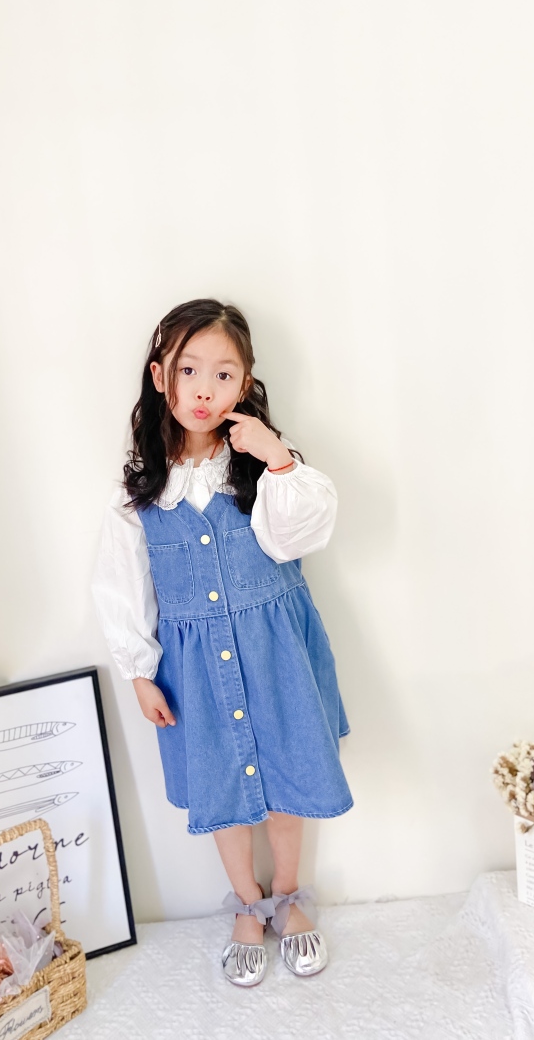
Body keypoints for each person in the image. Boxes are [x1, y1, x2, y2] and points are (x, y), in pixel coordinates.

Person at [92, 298, 353, 986]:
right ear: (161, 377)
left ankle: (290, 897)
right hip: (195, 670)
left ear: (245, 384)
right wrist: (140, 670)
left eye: (223, 374)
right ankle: (246, 903)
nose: (204, 389)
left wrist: (278, 459)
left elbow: (296, 539)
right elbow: (121, 584)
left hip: (276, 654)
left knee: (289, 774)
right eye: (188, 370)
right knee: (222, 782)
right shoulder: (140, 491)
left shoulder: (262, 471)